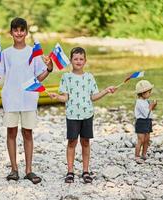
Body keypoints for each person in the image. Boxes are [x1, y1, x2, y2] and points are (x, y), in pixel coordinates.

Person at [0, 17, 53, 184]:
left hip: (29, 98)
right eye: (16, 30)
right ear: (11, 33)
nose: (19, 33)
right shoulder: (5, 54)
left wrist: (49, 69)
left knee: (28, 133)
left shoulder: (33, 53)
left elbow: (39, 77)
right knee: (11, 133)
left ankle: (28, 170)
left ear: (26, 33)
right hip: (10, 98)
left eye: (22, 30)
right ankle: (14, 169)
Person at [48, 47, 116, 183]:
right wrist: (57, 97)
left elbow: (94, 97)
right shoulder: (66, 77)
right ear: (71, 61)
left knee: (85, 142)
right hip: (72, 115)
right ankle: (70, 171)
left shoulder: (89, 77)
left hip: (87, 115)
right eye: (75, 59)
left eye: (81, 59)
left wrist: (106, 90)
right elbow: (65, 98)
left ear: (85, 61)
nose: (78, 61)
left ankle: (85, 171)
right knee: (72, 142)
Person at [134, 80, 157, 164]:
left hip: (148, 121)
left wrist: (153, 106)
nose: (150, 94)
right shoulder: (139, 102)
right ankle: (137, 156)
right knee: (141, 139)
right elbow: (146, 113)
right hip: (141, 122)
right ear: (143, 93)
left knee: (147, 139)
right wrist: (151, 106)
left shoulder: (146, 101)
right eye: (149, 92)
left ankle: (144, 154)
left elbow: (150, 112)